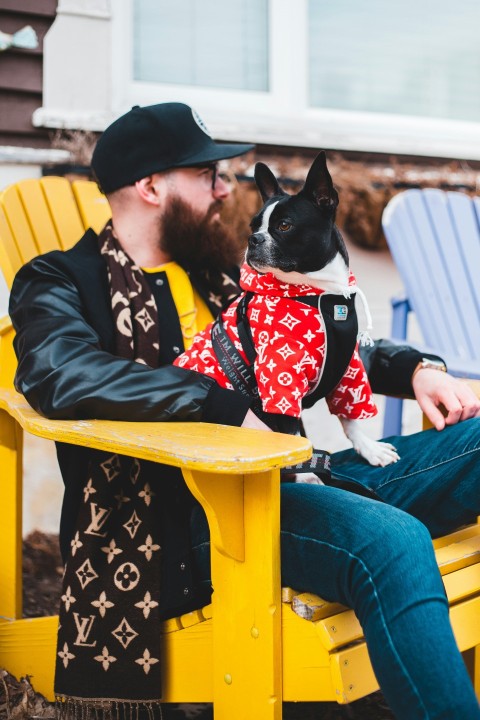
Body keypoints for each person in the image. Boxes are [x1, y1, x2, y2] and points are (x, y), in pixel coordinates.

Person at [9, 102, 480, 720]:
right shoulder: (62, 280)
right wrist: (221, 406)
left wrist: (414, 368)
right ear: (152, 186)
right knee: (391, 542)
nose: (224, 190)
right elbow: (60, 373)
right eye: (207, 176)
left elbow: (324, 336)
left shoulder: (221, 275)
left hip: (303, 477)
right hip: (193, 521)